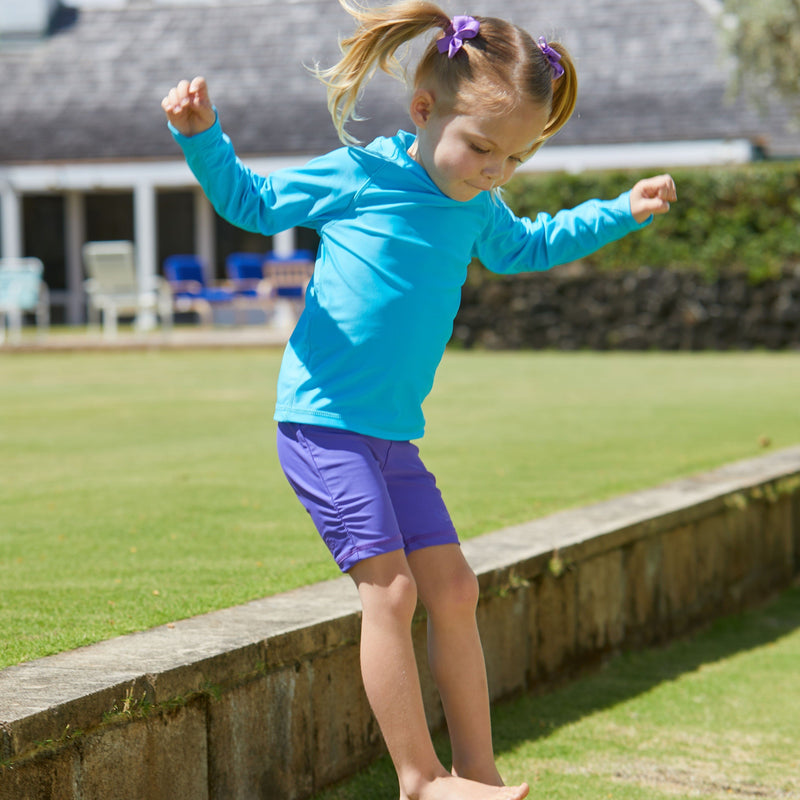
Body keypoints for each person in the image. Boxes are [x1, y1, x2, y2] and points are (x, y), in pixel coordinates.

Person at [162, 3, 677, 799]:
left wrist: (620, 211)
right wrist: (203, 136)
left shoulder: (475, 205)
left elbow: (530, 245)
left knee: (456, 588)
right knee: (392, 592)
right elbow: (255, 206)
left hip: (393, 440)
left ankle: (478, 771)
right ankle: (420, 779)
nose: (492, 171)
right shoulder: (362, 174)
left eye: (512, 158)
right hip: (323, 427)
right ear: (424, 111)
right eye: (481, 148)